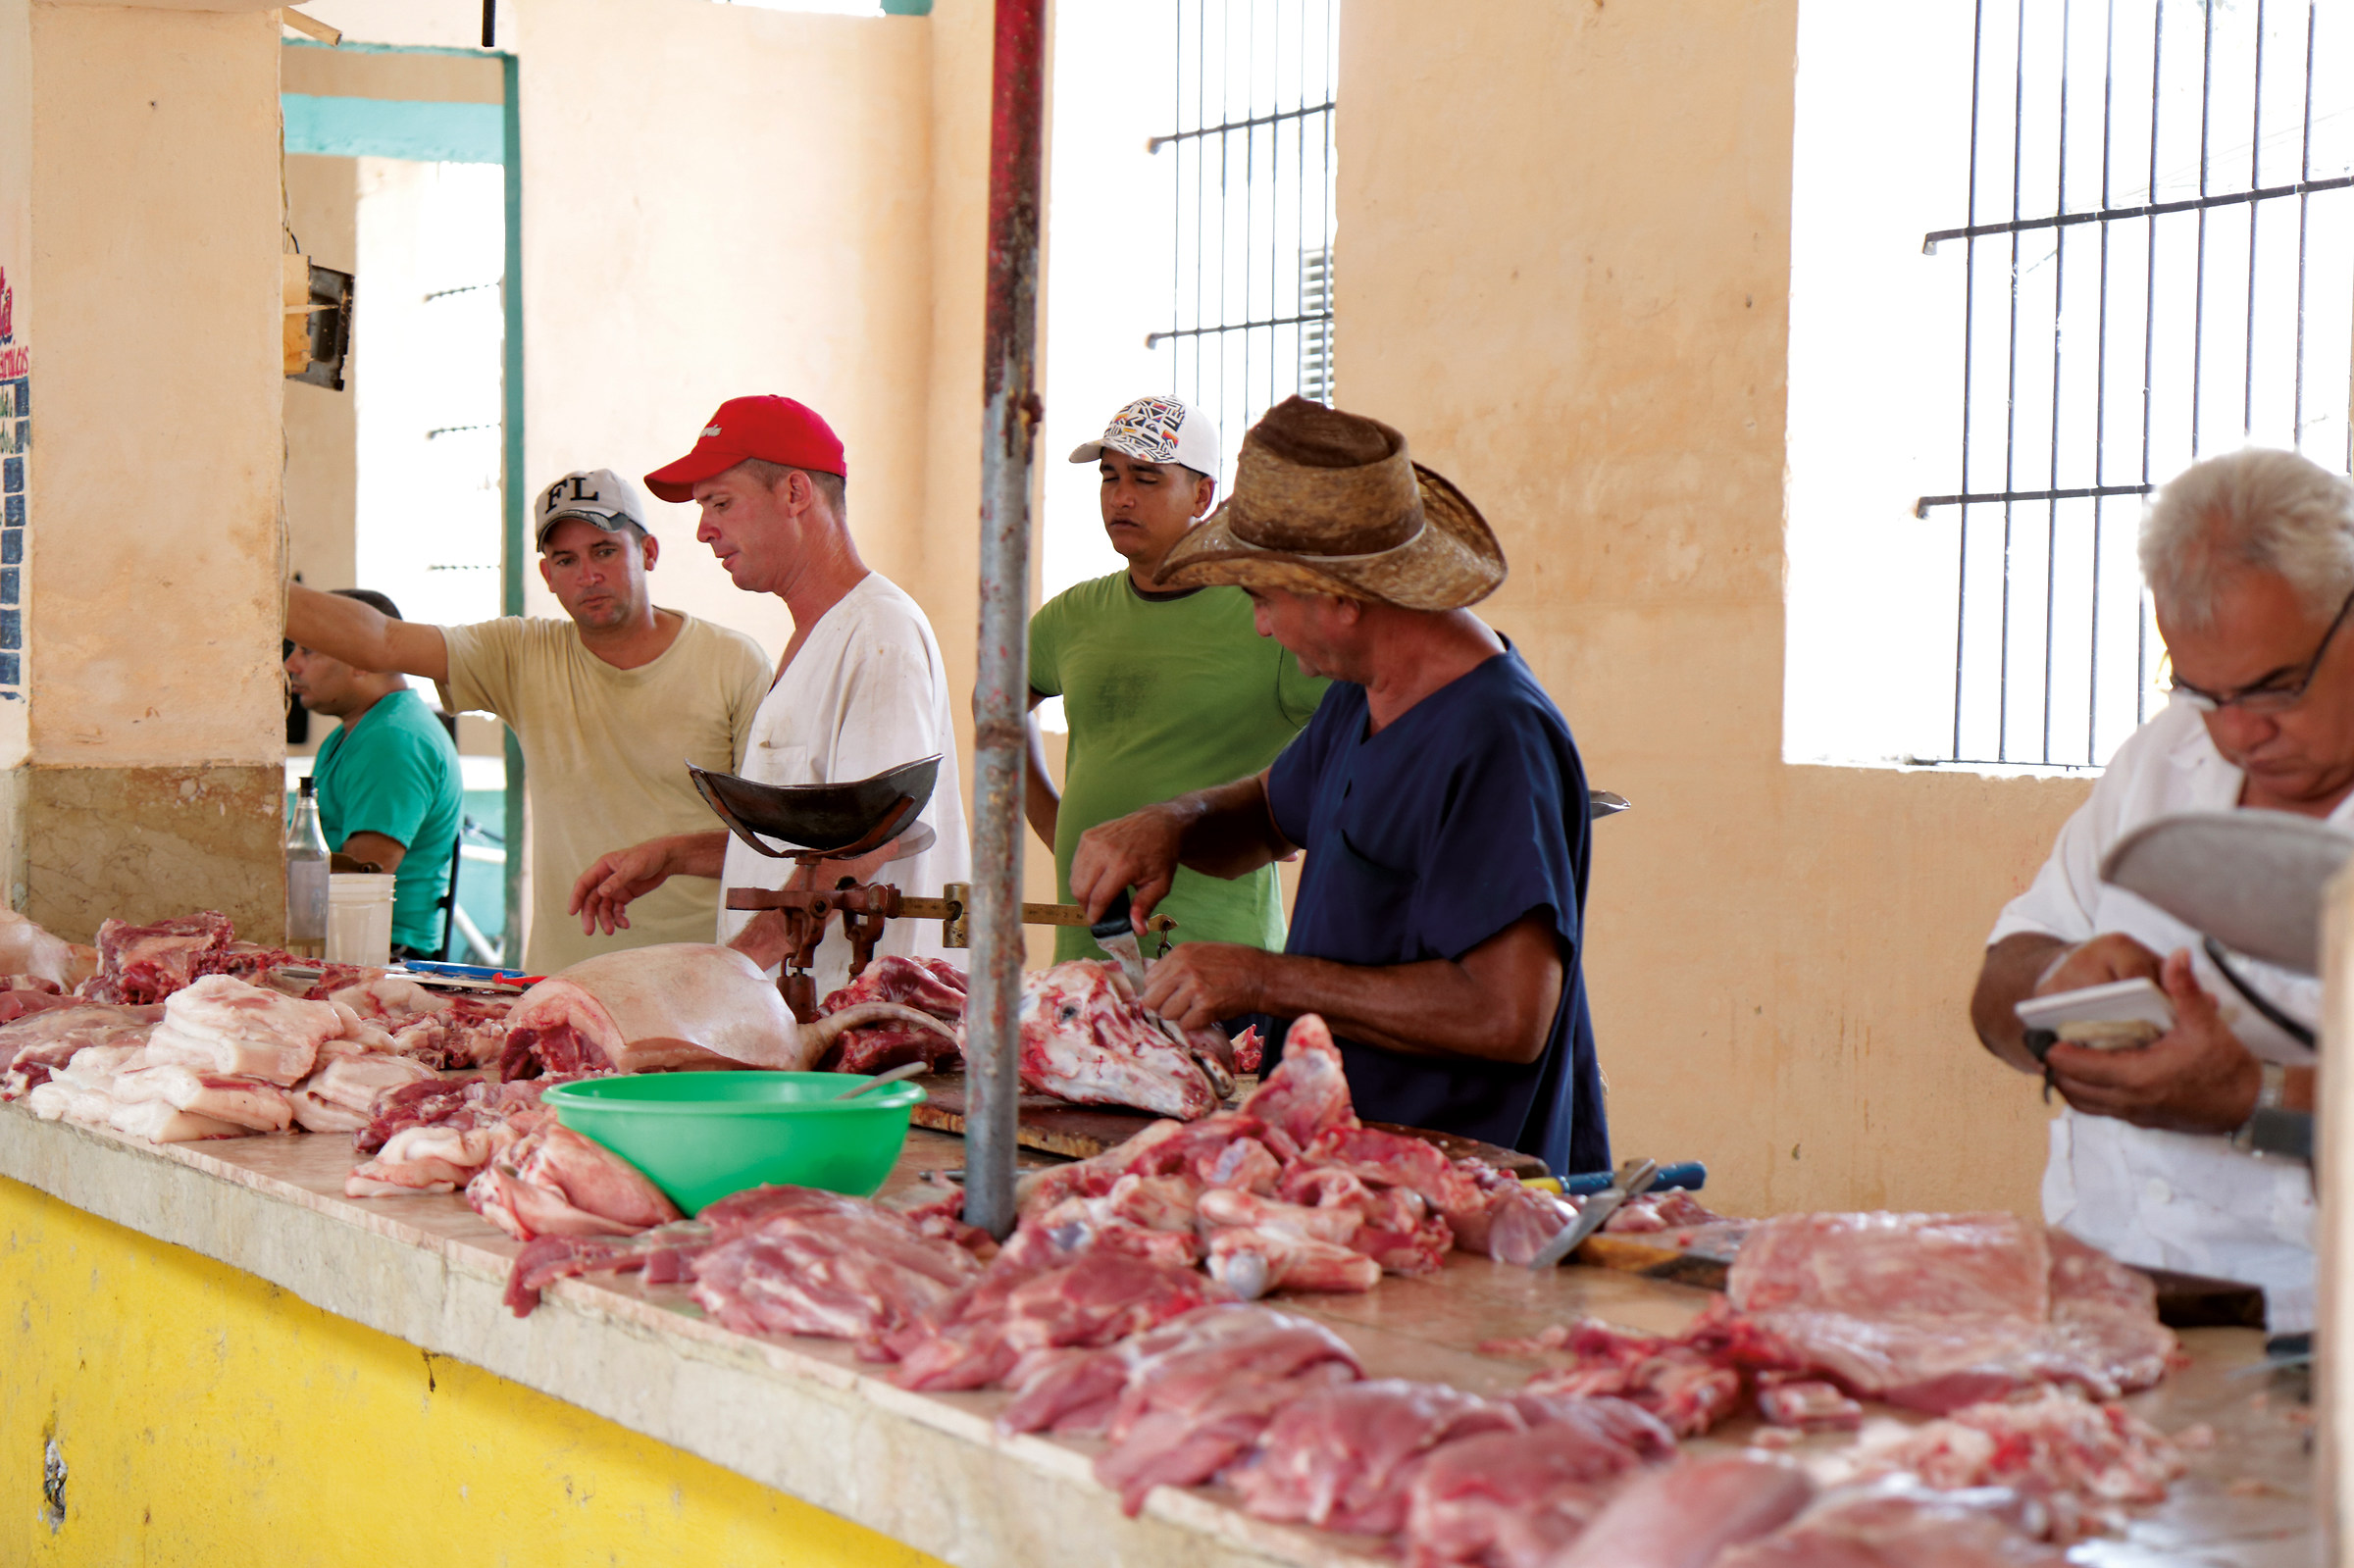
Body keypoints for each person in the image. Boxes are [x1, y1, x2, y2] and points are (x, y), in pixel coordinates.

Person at [1068, 397, 1607, 1175]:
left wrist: (1261, 976)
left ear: (1340, 599)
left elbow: (1508, 1014)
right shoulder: (1364, 690)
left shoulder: (1495, 736)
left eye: (1261, 599)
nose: (1258, 626)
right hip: (1340, 1161)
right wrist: (1170, 823)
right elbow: (1269, 813)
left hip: (1454, 1187)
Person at [1970, 448, 2344, 1336]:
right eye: (2202, 689)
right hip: (2107, 1298)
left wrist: (2252, 1097)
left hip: (2322, 1338)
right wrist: (2061, 987)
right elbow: (1998, 990)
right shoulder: (2164, 756)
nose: (2238, 733)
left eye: (2276, 687)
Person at [283, 469, 773, 973]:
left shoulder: (732, 662)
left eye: (605, 550)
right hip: (566, 982)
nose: (588, 574)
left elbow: (776, 841)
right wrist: (251, 579)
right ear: (548, 576)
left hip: (703, 977)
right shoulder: (523, 655)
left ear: (647, 552)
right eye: (566, 559)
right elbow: (382, 639)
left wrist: (674, 855)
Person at [570, 396, 970, 1000]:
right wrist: (676, 854)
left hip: (872, 1021)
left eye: (720, 503)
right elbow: (816, 842)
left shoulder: (878, 632)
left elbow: (874, 837)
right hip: (811, 1013)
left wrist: (737, 967)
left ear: (795, 493)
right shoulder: (815, 636)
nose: (704, 530)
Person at [1027, 395, 1327, 964]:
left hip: (1225, 967)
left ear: (1203, 495)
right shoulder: (1071, 616)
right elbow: (994, 706)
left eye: (1145, 477)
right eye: (1109, 477)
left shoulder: (1266, 613)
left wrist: (1286, 808)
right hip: (1088, 962)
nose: (1121, 496)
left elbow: (1368, 717)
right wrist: (1057, 823)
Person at [283, 588, 463, 959]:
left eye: (308, 650)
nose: (291, 665)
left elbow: (360, 884)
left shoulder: (393, 739)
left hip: (383, 955)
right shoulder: (353, 733)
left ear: (359, 656)